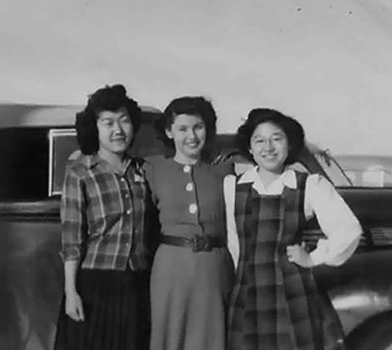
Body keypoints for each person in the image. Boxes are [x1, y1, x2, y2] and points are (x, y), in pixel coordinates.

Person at [224, 108, 362, 350]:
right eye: (259, 140)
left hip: (292, 290)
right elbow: (233, 244)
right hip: (246, 292)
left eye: (277, 139)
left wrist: (312, 258)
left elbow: (348, 229)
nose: (268, 147)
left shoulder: (309, 185)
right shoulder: (233, 187)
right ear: (249, 147)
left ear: (289, 143)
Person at [54, 84, 152, 350]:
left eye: (124, 121)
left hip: (137, 285)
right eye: (108, 123)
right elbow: (72, 240)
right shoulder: (80, 172)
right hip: (95, 286)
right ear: (94, 128)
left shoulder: (143, 171)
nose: (118, 131)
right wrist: (71, 291)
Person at [144, 96, 234, 350]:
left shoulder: (224, 170)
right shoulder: (152, 168)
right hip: (170, 269)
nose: (191, 136)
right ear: (168, 131)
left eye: (198, 127)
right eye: (182, 128)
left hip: (213, 269)